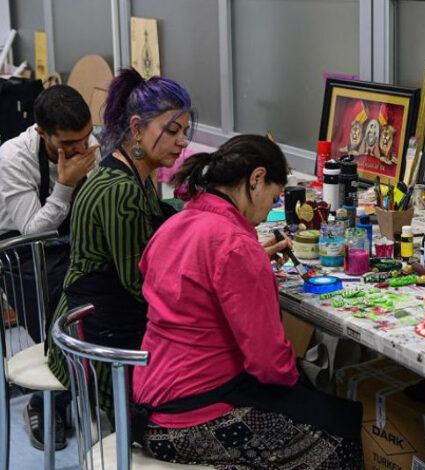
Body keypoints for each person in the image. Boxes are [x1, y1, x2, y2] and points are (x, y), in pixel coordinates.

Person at [132, 135, 364, 470]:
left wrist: (252, 260)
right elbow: (269, 365)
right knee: (338, 433)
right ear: (256, 179)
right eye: (271, 200)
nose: (266, 213)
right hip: (191, 421)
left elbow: (190, 284)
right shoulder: (236, 246)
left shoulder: (176, 224)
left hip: (147, 405)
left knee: (309, 397)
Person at [46, 68, 193, 423]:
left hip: (102, 317)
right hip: (95, 337)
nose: (183, 142)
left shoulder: (135, 175)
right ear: (137, 128)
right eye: (172, 131)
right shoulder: (121, 189)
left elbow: (159, 224)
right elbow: (137, 283)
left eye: (185, 132)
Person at [0, 84, 99, 450]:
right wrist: (67, 184)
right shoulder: (13, 159)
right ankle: (46, 401)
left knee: (111, 295)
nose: (80, 149)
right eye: (69, 144)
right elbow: (32, 231)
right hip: (22, 249)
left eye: (86, 138)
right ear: (42, 133)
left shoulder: (86, 144)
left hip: (71, 238)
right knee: (60, 313)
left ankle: (98, 387)